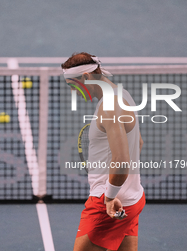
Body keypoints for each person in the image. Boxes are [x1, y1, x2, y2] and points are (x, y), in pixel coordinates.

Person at [61, 52, 145, 251]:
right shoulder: (122, 94)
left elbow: (122, 160)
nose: (75, 91)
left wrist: (109, 196)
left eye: (74, 85)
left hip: (110, 203)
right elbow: (138, 143)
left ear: (87, 77)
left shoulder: (109, 106)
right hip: (133, 198)